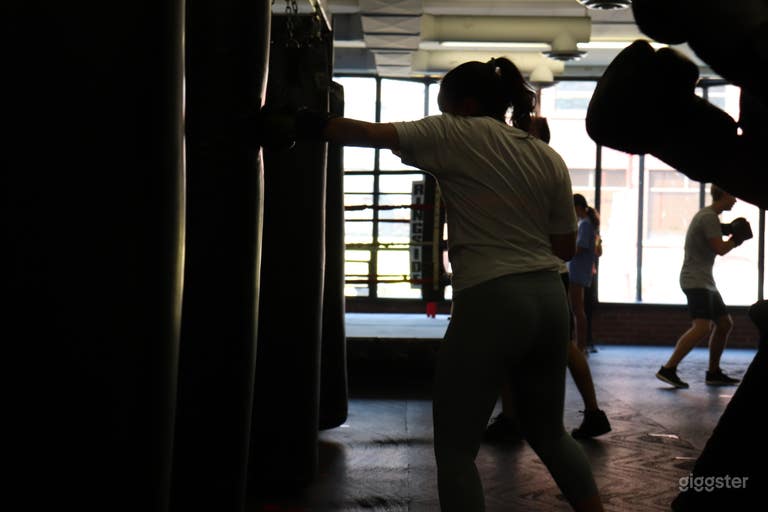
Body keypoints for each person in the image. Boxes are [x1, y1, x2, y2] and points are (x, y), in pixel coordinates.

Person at [278, 58, 604, 511]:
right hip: (550, 300)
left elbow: (368, 134)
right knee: (549, 433)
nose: (440, 112)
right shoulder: (544, 153)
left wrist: (302, 121)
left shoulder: (454, 131)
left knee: (455, 450)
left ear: (464, 105)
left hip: (493, 299)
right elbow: (565, 248)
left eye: (443, 104)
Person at [484, 119, 610, 443]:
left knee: (510, 346)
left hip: (533, 272)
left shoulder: (528, 172)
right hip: (549, 274)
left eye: (516, 131)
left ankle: (514, 419)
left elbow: (565, 244)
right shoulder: (551, 169)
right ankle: (590, 413)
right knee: (561, 347)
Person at [656, 185, 750, 389]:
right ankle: (668, 369)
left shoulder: (711, 218)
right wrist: (736, 239)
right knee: (702, 327)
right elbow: (720, 248)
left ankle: (713, 372)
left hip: (705, 281)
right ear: (724, 193)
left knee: (724, 323)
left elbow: (714, 235)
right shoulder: (708, 217)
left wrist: (729, 230)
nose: (735, 199)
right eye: (733, 194)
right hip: (695, 280)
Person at [568, 194, 599, 355]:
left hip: (577, 271)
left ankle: (580, 346)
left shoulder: (585, 225)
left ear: (578, 207)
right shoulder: (587, 224)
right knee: (577, 309)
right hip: (580, 270)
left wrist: (564, 249)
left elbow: (579, 247)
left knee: (577, 309)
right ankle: (580, 345)